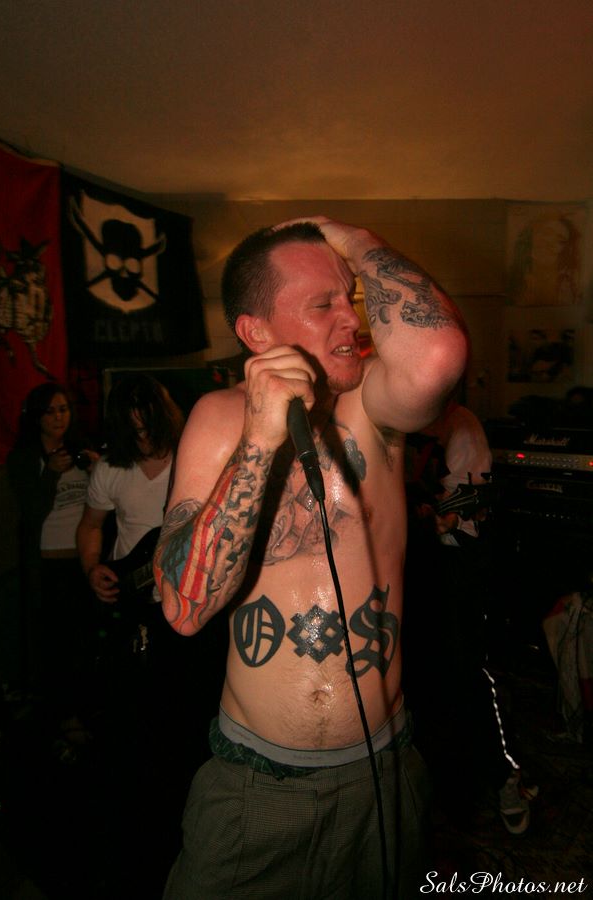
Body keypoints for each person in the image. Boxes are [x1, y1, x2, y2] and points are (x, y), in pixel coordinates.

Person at [153, 217, 468, 899]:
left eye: (348, 298)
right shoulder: (217, 418)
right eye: (322, 304)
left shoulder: (373, 405)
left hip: (383, 777)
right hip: (257, 789)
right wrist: (261, 440)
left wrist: (348, 237)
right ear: (256, 333)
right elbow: (183, 607)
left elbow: (438, 353)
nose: (350, 318)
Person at [76, 373, 224, 898]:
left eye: (148, 422)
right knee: (136, 713)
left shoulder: (194, 457)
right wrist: (92, 568)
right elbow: (91, 526)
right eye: (131, 426)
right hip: (133, 600)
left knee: (190, 707)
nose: (142, 434)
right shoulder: (110, 469)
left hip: (188, 602)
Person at [403, 399, 537, 835]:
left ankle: (506, 776)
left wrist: (440, 517)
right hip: (407, 564)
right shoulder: (385, 418)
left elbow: (472, 499)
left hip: (457, 562)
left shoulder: (460, 426)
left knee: (469, 672)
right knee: (418, 678)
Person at [6, 382, 99, 757]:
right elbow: (30, 511)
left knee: (83, 640)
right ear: (37, 417)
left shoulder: (78, 449)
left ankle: (82, 710)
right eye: (51, 411)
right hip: (47, 563)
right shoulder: (25, 457)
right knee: (54, 645)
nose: (59, 417)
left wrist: (98, 469)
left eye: (64, 409)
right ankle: (60, 717)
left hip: (82, 561)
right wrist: (51, 474)